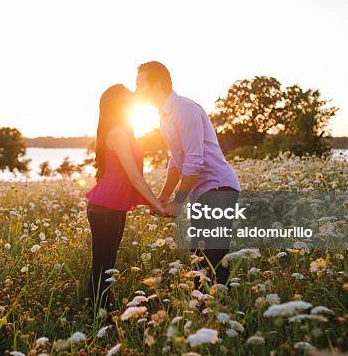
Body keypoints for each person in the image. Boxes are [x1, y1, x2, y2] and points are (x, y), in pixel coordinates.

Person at [135, 61, 241, 288]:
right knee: (199, 257)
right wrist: (163, 196)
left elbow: (194, 161)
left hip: (218, 187)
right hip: (202, 192)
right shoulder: (165, 115)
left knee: (209, 256)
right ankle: (208, 313)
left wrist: (179, 202)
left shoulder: (185, 109)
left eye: (140, 84)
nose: (137, 90)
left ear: (157, 85)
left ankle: (215, 313)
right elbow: (177, 159)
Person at [85, 84, 166, 310]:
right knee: (103, 265)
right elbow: (134, 177)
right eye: (129, 95)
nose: (134, 96)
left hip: (110, 206)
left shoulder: (122, 130)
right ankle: (97, 314)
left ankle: (100, 311)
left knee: (106, 263)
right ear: (120, 102)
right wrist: (157, 204)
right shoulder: (118, 132)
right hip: (104, 208)